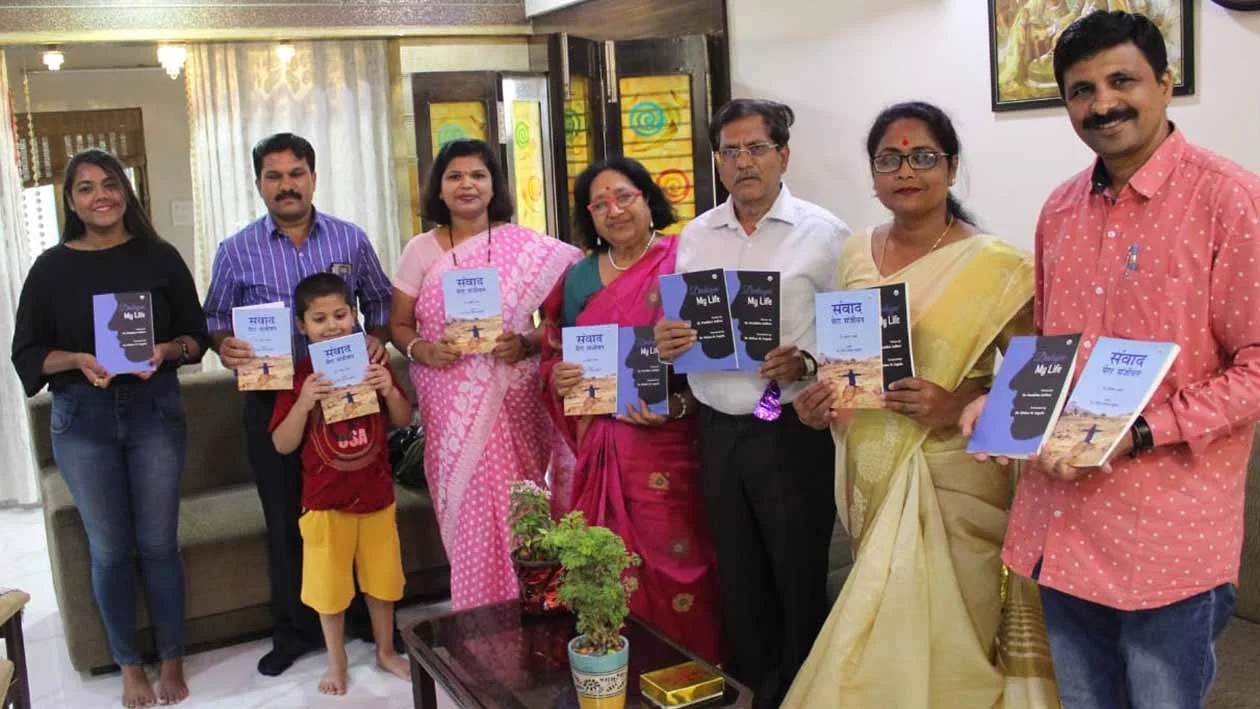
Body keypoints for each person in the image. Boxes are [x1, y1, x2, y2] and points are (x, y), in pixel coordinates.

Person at [960, 12, 1260, 708]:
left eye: (1122, 81)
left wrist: (1141, 431)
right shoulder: (1061, 209)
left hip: (1169, 536)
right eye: (1081, 90)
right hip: (1063, 520)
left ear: (1166, 83)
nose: (1102, 104)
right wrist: (1004, 402)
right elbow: (1055, 348)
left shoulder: (1231, 200)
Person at [783, 102, 1059, 708]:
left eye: (923, 157)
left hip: (955, 474)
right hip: (867, 470)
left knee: (951, 642)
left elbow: (1038, 382)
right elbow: (845, 359)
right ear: (874, 174)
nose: (906, 171)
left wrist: (958, 402)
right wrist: (817, 400)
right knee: (885, 639)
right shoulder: (856, 252)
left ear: (952, 168)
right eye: (889, 159)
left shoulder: (1000, 266)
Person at [654, 98, 849, 707]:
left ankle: (803, 693)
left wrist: (806, 362)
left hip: (788, 424)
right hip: (717, 426)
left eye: (756, 148)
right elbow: (681, 326)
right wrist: (668, 342)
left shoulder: (824, 233)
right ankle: (750, 692)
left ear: (783, 155)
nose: (743, 162)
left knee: (796, 571)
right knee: (736, 573)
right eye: (730, 150)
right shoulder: (696, 235)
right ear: (716, 160)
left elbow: (850, 335)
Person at [11, 149, 208, 708]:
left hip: (154, 411)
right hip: (82, 418)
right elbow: (27, 353)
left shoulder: (160, 256)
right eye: (86, 187)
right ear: (70, 202)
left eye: (110, 183)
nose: (101, 195)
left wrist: (166, 349)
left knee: (159, 544)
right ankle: (129, 665)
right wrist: (76, 359)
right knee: (110, 550)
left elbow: (197, 337)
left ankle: (172, 656)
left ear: (126, 190)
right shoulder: (50, 268)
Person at [202, 132, 395, 676]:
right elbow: (214, 318)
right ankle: (294, 632)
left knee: (353, 510)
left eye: (296, 174)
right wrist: (225, 345)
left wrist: (376, 338)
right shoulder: (235, 250)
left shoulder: (350, 240)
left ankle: (364, 621)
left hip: (346, 399)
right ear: (259, 183)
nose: (286, 185)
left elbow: (380, 300)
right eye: (274, 176)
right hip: (275, 404)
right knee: (288, 518)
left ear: (313, 177)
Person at [539, 157, 722, 662]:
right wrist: (559, 377)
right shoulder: (578, 279)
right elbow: (554, 352)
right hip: (603, 446)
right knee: (607, 566)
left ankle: (692, 670)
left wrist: (678, 405)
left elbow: (715, 357)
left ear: (647, 199)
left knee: (682, 562)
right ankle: (620, 671)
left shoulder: (684, 260)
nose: (614, 211)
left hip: (673, 444)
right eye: (599, 204)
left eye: (624, 197)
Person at [388, 139, 580, 610]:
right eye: (454, 176)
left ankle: (535, 607)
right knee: (469, 507)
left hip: (513, 397)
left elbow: (561, 320)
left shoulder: (529, 247)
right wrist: (422, 349)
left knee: (523, 504)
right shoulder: (420, 250)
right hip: (450, 402)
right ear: (440, 188)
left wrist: (526, 342)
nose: (467, 185)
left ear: (495, 186)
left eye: (478, 175)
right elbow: (398, 324)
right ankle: (480, 615)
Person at [269, 273, 413, 696]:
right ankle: (337, 661)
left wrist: (389, 391)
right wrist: (303, 402)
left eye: (340, 315)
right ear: (302, 326)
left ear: (354, 315)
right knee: (328, 590)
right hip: (324, 502)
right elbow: (282, 444)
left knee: (383, 582)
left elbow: (403, 419)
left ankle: (385, 650)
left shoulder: (374, 364)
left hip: (376, 496)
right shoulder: (300, 376)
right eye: (319, 319)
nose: (332, 326)